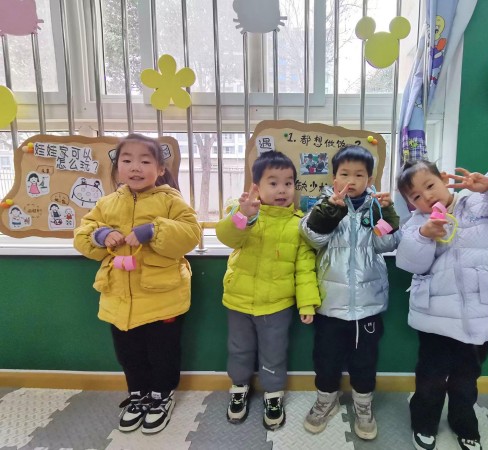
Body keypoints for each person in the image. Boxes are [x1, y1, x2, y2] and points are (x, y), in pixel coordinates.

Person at [395, 160, 488, 450]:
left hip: (482, 312)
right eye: (416, 196)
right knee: (430, 375)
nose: (427, 196)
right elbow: (410, 263)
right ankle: (424, 422)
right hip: (436, 316)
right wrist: (425, 236)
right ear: (411, 204)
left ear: (444, 179)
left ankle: (464, 423)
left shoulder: (484, 203)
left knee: (466, 377)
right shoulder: (416, 224)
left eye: (430, 185)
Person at [74, 133, 201, 435]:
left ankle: (161, 397)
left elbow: (191, 234)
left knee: (163, 354)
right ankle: (138, 396)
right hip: (119, 299)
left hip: (163, 297)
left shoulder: (171, 200)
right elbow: (83, 234)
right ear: (117, 168)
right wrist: (101, 235)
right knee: (129, 355)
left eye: (145, 161)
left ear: (160, 169)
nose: (135, 167)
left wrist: (153, 230)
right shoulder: (106, 203)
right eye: (127, 160)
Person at [299, 145, 401, 440]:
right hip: (331, 304)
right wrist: (330, 211)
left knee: (364, 361)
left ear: (370, 180)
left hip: (368, 306)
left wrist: (388, 212)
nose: (351, 180)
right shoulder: (323, 205)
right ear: (334, 179)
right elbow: (311, 237)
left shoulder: (375, 207)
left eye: (359, 175)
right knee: (326, 358)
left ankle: (363, 405)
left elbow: (387, 244)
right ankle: (326, 401)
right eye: (345, 174)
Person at [215, 150, 321, 431]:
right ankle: (239, 387)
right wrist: (244, 215)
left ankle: (273, 393)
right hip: (239, 301)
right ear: (257, 187)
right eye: (273, 183)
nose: (282, 190)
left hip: (277, 305)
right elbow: (227, 236)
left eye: (288, 183)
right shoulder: (243, 212)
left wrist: (307, 303)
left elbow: (305, 268)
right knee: (239, 349)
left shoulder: (299, 224)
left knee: (274, 352)